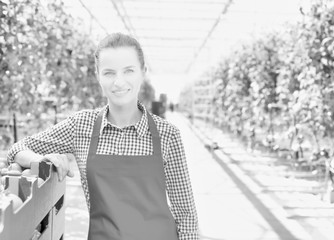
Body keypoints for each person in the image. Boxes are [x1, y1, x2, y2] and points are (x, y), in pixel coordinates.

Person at [7, 32, 199, 240]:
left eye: (129, 71)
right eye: (109, 73)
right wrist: (40, 160)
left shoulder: (167, 135)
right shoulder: (80, 126)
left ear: (142, 72)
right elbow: (17, 149)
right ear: (98, 75)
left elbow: (185, 214)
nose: (119, 82)